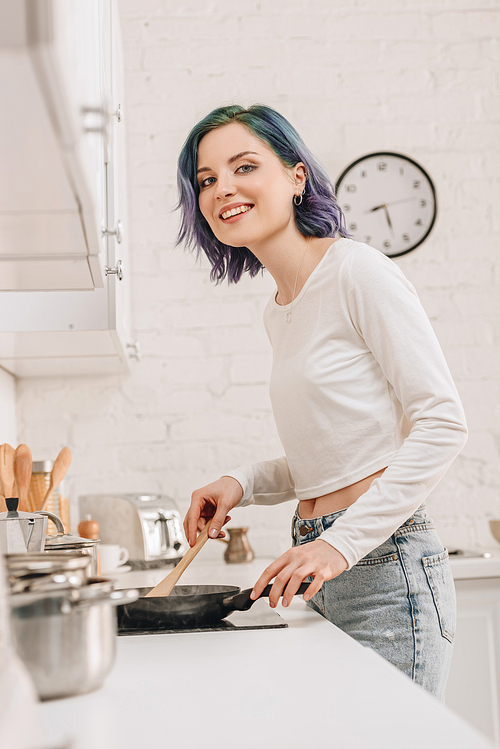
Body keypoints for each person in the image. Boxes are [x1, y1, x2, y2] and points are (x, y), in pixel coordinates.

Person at [176, 104, 468, 699]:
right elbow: (338, 452)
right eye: (206, 180)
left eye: (243, 166)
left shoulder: (358, 272)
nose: (221, 188)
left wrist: (338, 544)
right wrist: (241, 482)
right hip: (319, 563)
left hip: (383, 566)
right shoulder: (279, 311)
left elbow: (442, 423)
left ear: (296, 176)